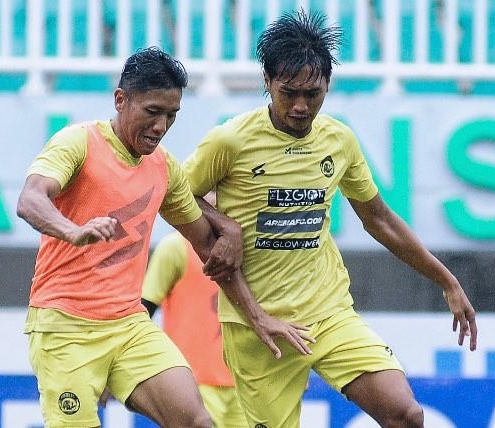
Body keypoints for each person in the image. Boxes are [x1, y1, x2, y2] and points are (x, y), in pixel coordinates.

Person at [182, 10, 479, 428]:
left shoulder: (338, 139)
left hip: (327, 312)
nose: (302, 106)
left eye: (314, 93)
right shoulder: (230, 140)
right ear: (266, 83)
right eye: (289, 93)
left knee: (406, 414)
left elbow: (380, 220)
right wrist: (224, 224)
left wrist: (446, 280)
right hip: (257, 329)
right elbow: (178, 194)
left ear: (328, 86)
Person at [16, 46, 312, 427]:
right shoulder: (78, 142)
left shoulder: (162, 166)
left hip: (128, 325)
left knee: (195, 421)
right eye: (152, 112)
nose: (161, 126)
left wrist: (256, 310)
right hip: (66, 326)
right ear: (121, 100)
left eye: (171, 115)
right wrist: (73, 231)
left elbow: (206, 244)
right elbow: (30, 199)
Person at [141, 193, 245, 428]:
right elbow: (143, 311)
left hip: (245, 383)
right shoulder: (176, 247)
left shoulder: (248, 252)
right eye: (209, 189)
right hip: (194, 384)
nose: (217, 198)